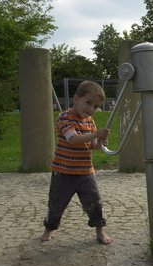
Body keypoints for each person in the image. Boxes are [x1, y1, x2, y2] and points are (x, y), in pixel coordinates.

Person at [41, 81, 113, 244]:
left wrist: (101, 141)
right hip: (63, 173)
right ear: (76, 98)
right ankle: (49, 229)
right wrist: (95, 135)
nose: (90, 109)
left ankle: (100, 231)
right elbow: (73, 139)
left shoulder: (89, 121)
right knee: (56, 204)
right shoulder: (65, 117)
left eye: (95, 106)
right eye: (88, 103)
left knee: (95, 202)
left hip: (85, 172)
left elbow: (92, 146)